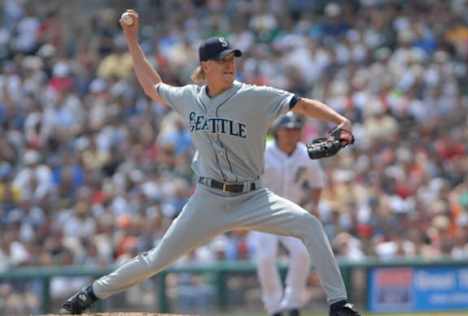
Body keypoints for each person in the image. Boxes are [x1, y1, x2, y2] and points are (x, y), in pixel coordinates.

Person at [61, 9, 360, 316]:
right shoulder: (190, 97)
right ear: (205, 65)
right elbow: (153, 86)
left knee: (309, 225)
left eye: (233, 59)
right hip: (209, 199)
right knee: (155, 260)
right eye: (223, 60)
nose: (230, 64)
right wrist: (132, 40)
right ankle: (88, 295)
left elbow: (302, 104)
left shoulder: (255, 96)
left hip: (253, 196)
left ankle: (339, 304)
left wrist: (340, 120)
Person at [252, 112, 324, 316]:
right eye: (287, 129)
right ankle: (274, 307)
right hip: (263, 212)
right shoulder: (263, 151)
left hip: (291, 210)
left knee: (302, 253)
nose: (291, 133)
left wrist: (315, 205)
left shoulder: (305, 154)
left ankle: (292, 304)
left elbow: (317, 182)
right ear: (278, 131)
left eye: (295, 129)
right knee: (266, 258)